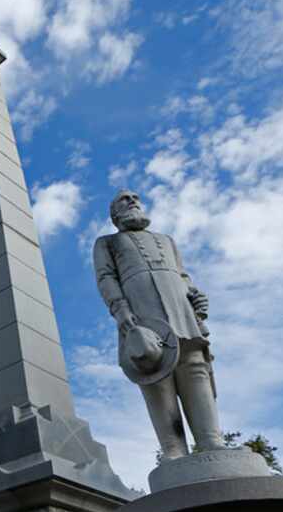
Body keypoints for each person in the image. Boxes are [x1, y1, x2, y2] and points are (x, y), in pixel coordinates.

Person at [93, 189, 220, 459]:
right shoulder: (107, 243)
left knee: (194, 365)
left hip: (181, 308)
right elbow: (106, 278)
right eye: (123, 200)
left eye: (135, 198)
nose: (132, 201)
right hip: (141, 310)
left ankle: (211, 440)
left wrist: (195, 297)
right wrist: (120, 308)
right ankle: (173, 449)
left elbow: (183, 275)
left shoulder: (166, 240)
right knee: (156, 372)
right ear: (115, 214)